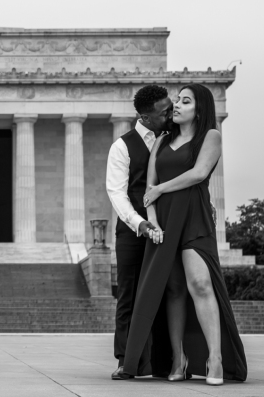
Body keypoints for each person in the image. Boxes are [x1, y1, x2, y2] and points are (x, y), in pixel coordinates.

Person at [122, 84, 247, 385]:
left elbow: (199, 174)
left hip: (193, 217)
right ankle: (179, 359)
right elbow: (148, 190)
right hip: (164, 221)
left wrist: (161, 189)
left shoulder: (210, 137)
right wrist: (152, 223)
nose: (176, 105)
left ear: (200, 109)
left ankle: (214, 358)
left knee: (200, 284)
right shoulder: (162, 141)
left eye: (185, 101)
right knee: (173, 291)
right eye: (177, 100)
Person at [105, 84, 171, 380]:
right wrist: (139, 223)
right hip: (132, 231)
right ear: (145, 116)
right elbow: (117, 193)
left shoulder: (174, 139)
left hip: (167, 228)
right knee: (129, 295)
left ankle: (164, 360)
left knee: (168, 292)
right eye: (164, 112)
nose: (170, 114)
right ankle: (125, 359)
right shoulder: (121, 146)